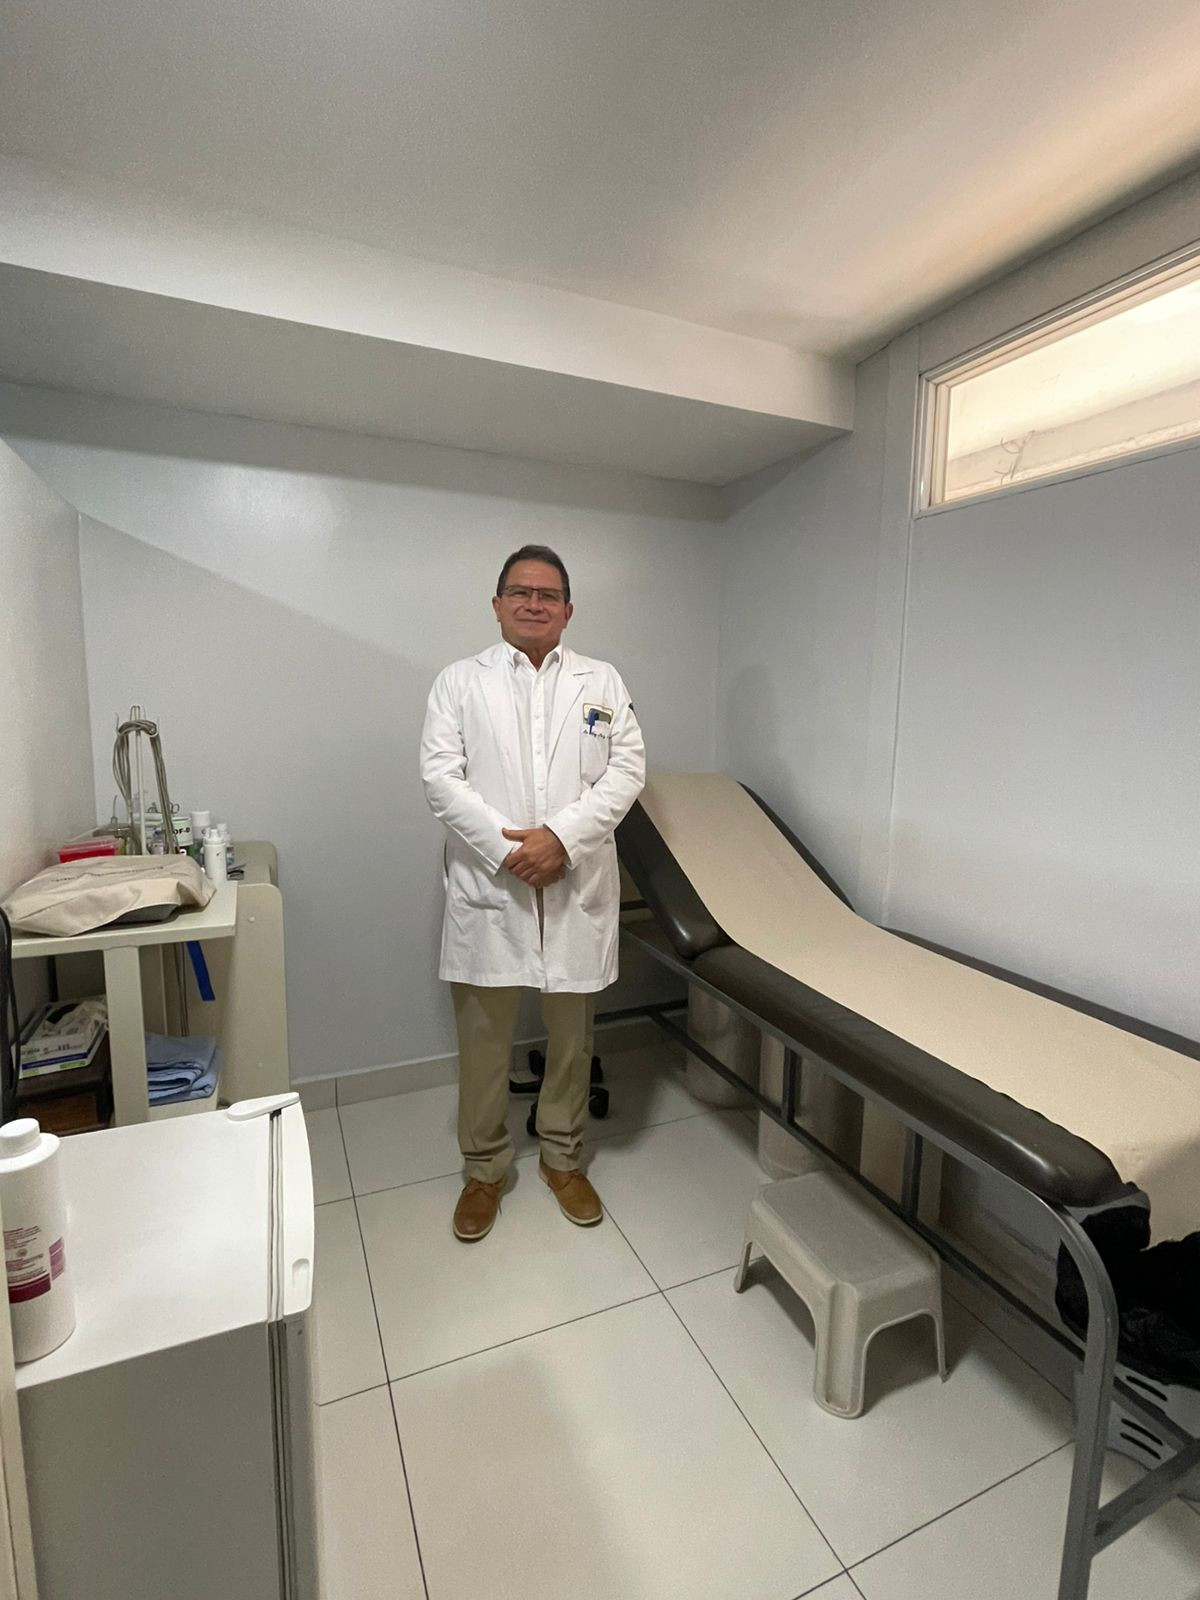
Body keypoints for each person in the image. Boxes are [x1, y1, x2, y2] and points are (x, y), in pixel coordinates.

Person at [420, 545, 645, 1241]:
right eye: (520, 591)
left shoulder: (601, 681)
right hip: (494, 887)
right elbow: (440, 779)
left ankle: (562, 1158)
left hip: (574, 885)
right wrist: (514, 850)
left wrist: (562, 840)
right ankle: (485, 1169)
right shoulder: (459, 682)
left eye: (548, 595)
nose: (533, 603)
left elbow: (627, 771)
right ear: (497, 604)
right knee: (484, 1041)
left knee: (572, 1040)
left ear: (568, 610)